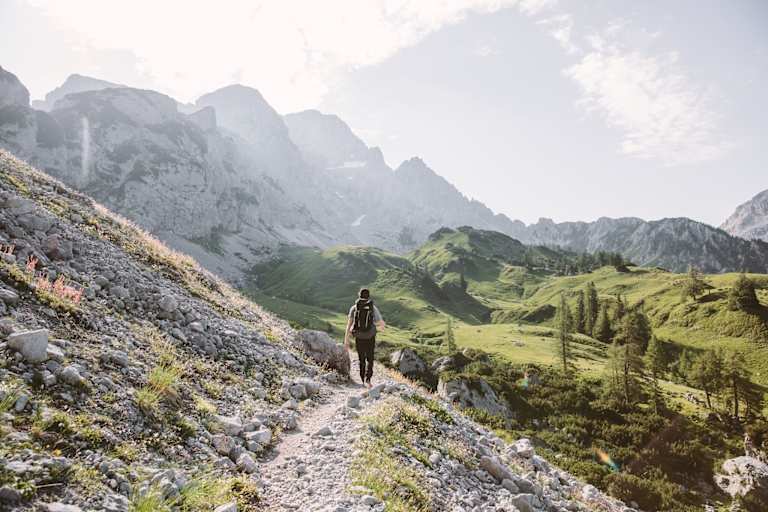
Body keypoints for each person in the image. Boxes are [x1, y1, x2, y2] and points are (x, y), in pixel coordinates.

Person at [344, 288, 385, 388]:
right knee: (370, 358)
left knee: (361, 359)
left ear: (359, 295)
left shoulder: (354, 308)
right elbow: (381, 323)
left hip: (359, 337)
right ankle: (368, 379)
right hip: (370, 336)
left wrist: (346, 340)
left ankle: (362, 379)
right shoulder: (372, 307)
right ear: (368, 296)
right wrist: (376, 326)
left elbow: (349, 325)